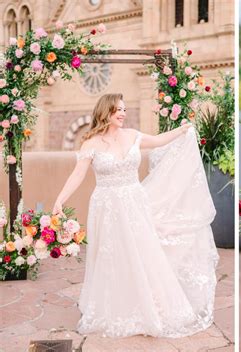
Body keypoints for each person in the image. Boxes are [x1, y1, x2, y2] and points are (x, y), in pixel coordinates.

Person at [53, 93, 218, 338]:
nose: (122, 113)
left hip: (134, 203)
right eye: (117, 109)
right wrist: (59, 199)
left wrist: (183, 130)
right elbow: (77, 175)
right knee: (113, 255)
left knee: (142, 252)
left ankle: (149, 306)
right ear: (105, 112)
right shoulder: (90, 144)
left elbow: (160, 140)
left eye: (124, 109)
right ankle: (115, 307)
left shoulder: (133, 136)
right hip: (106, 206)